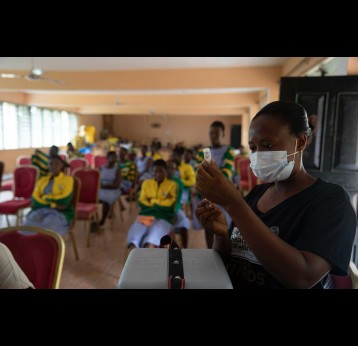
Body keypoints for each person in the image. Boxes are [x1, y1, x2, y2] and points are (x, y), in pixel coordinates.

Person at [196, 101, 357, 289]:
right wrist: (222, 236)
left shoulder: (331, 201)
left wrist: (234, 203)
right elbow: (229, 263)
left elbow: (303, 277)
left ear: (301, 141)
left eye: (268, 145)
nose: (259, 155)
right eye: (254, 148)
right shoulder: (256, 194)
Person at [193, 120, 235, 248]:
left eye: (217, 133)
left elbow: (226, 172)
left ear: (223, 134)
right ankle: (209, 250)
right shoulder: (203, 152)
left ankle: (223, 252)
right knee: (208, 224)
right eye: (211, 133)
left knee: (223, 225)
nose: (213, 136)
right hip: (206, 193)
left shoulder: (229, 150)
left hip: (222, 193)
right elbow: (199, 172)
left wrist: (211, 181)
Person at [127, 160, 177, 249]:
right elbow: (142, 202)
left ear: (166, 171)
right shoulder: (146, 183)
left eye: (160, 171)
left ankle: (148, 260)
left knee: (150, 242)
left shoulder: (172, 185)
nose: (157, 174)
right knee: (134, 240)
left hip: (164, 217)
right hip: (146, 215)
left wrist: (152, 201)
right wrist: (161, 202)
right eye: (155, 171)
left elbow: (169, 205)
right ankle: (134, 260)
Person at [22, 155, 74, 236]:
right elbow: (34, 199)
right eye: (51, 163)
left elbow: (64, 200)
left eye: (57, 163)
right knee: (27, 225)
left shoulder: (68, 180)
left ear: (62, 165)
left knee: (48, 227)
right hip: (41, 210)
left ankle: (44, 246)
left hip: (60, 212)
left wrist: (45, 197)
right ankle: (31, 245)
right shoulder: (42, 180)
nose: (53, 166)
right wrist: (53, 204)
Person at [166, 159, 191, 248]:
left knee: (184, 223)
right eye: (168, 167)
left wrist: (173, 214)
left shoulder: (179, 183)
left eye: (172, 168)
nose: (170, 170)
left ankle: (185, 249)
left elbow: (177, 202)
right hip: (160, 210)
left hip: (175, 209)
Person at [98, 151, 122, 226]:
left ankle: (102, 221)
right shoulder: (101, 168)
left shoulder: (117, 169)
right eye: (113, 157)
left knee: (106, 200)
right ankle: (93, 218)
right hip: (101, 189)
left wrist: (103, 186)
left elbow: (116, 185)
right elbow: (96, 180)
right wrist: (100, 186)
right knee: (90, 199)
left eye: (115, 157)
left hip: (113, 190)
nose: (115, 159)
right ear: (107, 158)